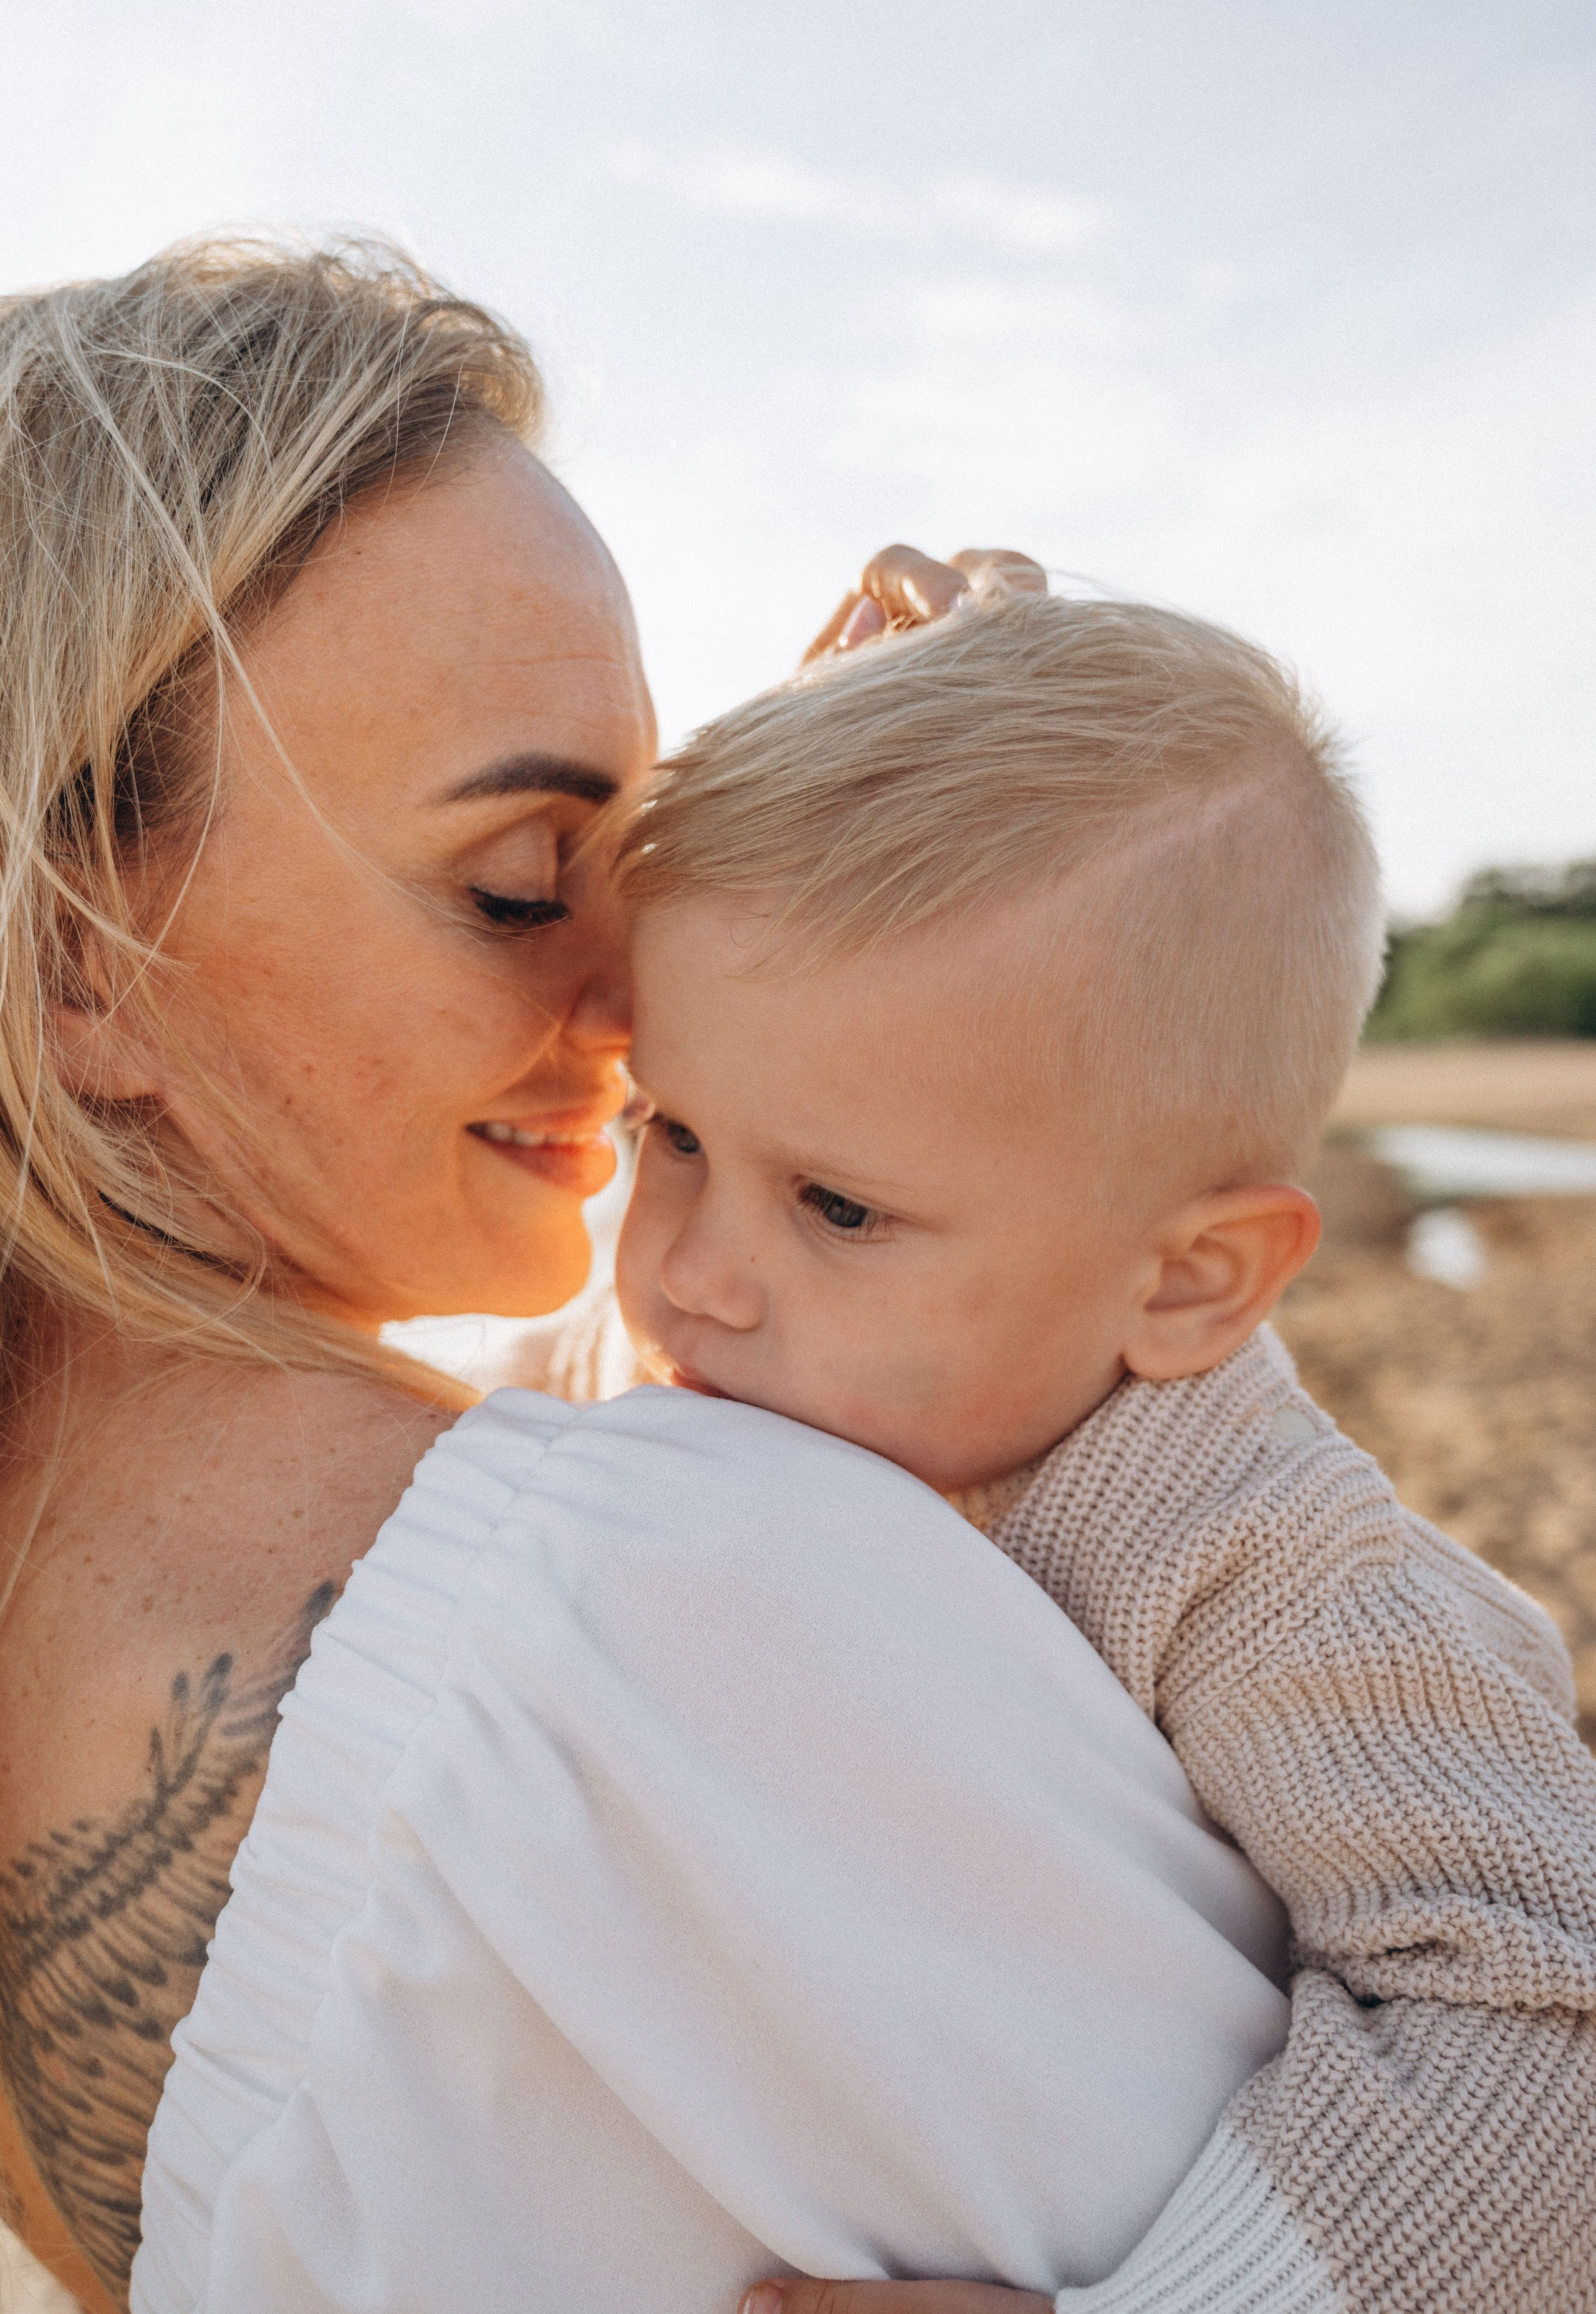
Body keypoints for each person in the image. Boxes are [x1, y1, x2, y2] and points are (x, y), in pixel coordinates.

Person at [0, 236, 1276, 2314]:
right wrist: (1102, 1188)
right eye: (516, 888)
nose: (648, 996)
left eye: (655, 866)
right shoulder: (642, 1607)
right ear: (76, 957)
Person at [598, 594, 1596, 2312]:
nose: (686, 1267)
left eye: (837, 1204)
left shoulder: (1258, 1567)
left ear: (1187, 1281)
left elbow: (1546, 2032)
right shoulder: (837, 1367)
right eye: (667, 1131)